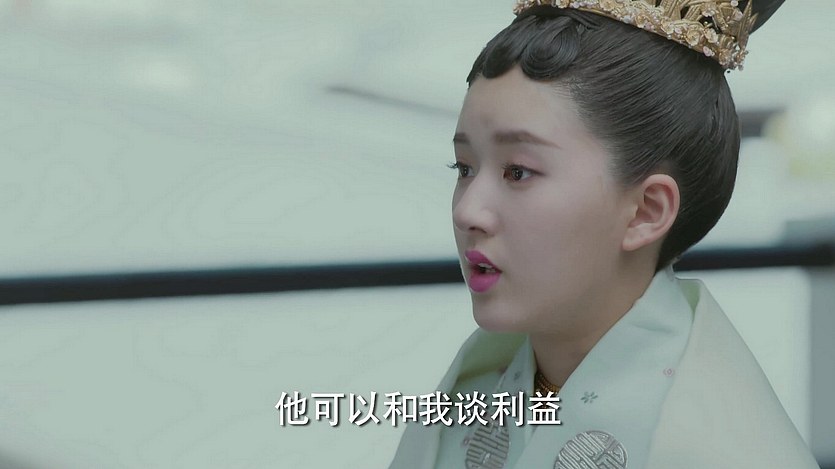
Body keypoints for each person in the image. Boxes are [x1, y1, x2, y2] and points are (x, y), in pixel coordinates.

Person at [388, 1, 821, 468]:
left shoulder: (713, 452)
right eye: (464, 168)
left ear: (646, 211)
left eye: (518, 172)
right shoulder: (471, 393)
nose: (467, 211)